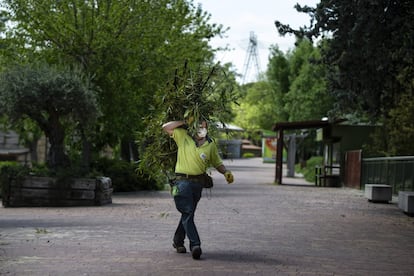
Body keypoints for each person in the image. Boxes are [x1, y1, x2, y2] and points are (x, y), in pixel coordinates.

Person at [162, 119, 234, 260]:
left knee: (187, 213)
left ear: (207, 127)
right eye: (198, 125)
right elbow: (165, 127)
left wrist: (226, 172)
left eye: (203, 126)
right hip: (182, 182)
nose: (201, 128)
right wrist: (184, 121)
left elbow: (217, 162)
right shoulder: (183, 136)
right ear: (193, 126)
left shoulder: (210, 144)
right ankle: (195, 245)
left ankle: (178, 241)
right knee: (188, 212)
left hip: (198, 184)